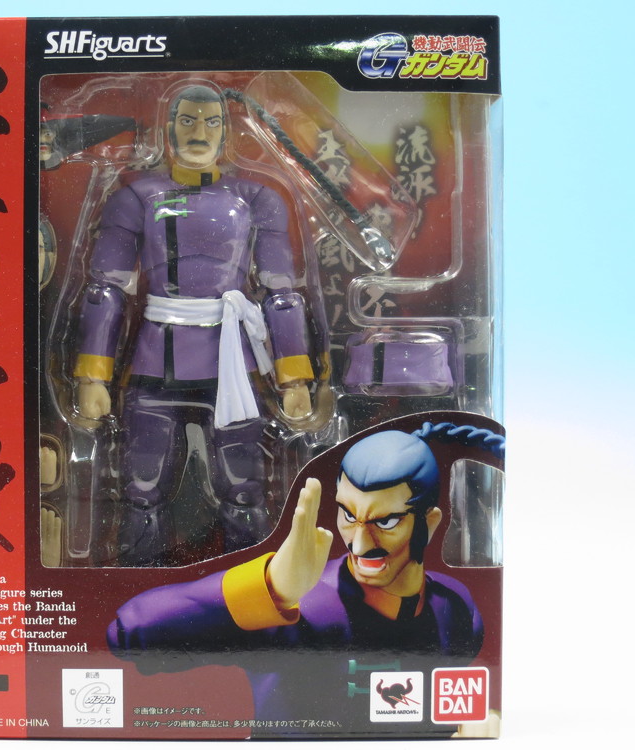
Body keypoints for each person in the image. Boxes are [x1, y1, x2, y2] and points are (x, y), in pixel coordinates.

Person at [106, 423, 503, 736]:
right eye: (349, 515)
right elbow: (129, 633)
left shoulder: (456, 610)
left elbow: (455, 701)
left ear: (428, 524)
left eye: (386, 522)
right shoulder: (303, 608)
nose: (361, 543)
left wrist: (479, 718)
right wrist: (272, 588)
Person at [73, 84, 314, 565]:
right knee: (142, 489)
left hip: (233, 367)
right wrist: (92, 376)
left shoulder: (256, 198)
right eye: (187, 120)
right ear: (169, 128)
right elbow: (106, 288)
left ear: (225, 131)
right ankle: (139, 581)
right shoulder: (136, 196)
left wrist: (295, 378)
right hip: (153, 365)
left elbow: (281, 293)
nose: (199, 132)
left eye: (210, 121)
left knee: (244, 487)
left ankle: (249, 582)